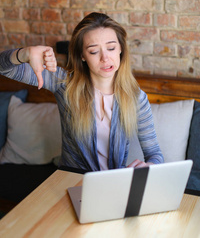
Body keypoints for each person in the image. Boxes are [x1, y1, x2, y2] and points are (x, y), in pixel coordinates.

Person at [0, 12, 164, 171]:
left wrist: (151, 166)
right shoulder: (65, 84)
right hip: (71, 180)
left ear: (121, 48)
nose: (105, 58)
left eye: (111, 48)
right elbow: (4, 68)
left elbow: (154, 154)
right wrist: (24, 53)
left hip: (114, 185)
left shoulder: (136, 98)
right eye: (94, 51)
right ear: (82, 55)